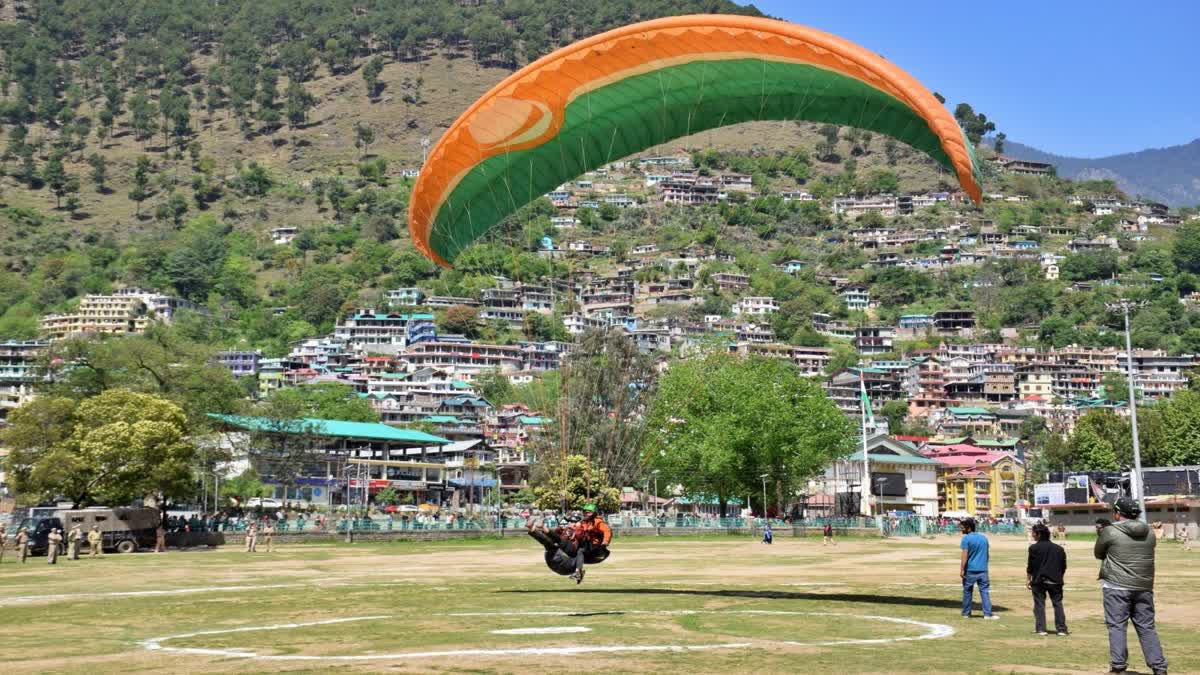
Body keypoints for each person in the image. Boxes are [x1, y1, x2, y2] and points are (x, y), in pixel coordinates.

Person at [1096, 496, 1167, 675]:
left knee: (1117, 626)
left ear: (1118, 513)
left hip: (1116, 586)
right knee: (1146, 627)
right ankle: (1159, 667)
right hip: (1144, 586)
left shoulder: (1110, 531)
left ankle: (1118, 666)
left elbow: (1099, 553)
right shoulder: (1150, 532)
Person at [1026, 522, 1068, 636]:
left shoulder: (1034, 548)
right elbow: (1063, 566)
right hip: (1056, 580)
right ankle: (1061, 629)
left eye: (1034, 533)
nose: (1033, 535)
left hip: (1039, 580)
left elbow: (1031, 566)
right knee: (1057, 604)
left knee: (1039, 604)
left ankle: (1041, 628)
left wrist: (1028, 579)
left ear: (1038, 534)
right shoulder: (1059, 549)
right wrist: (1059, 576)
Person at [959, 518, 997, 619]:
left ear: (969, 528)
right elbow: (987, 555)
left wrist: (962, 569)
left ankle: (966, 613)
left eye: (963, 528)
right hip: (983, 570)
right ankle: (987, 614)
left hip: (970, 570)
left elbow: (965, 556)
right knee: (984, 592)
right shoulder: (984, 538)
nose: (961, 530)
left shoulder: (966, 539)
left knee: (967, 591)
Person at [526, 514, 582, 578]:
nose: (571, 523)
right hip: (554, 561)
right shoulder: (563, 531)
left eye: (574, 522)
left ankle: (534, 528)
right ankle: (533, 528)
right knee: (551, 543)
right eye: (570, 522)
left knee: (554, 543)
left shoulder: (580, 533)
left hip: (567, 566)